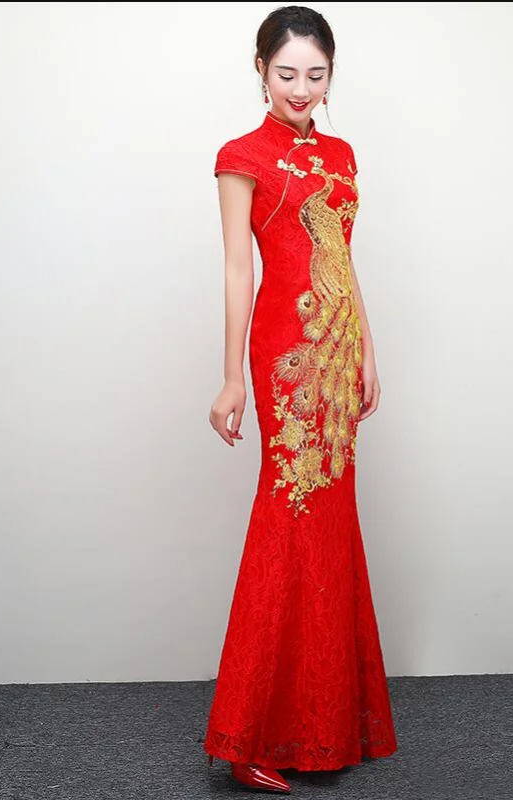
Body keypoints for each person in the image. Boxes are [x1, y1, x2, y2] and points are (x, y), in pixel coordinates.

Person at [204, 5, 398, 793]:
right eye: (287, 73)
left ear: (330, 76)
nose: (301, 89)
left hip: (338, 351)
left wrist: (368, 348)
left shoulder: (343, 154)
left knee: (330, 525)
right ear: (260, 69)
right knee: (288, 519)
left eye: (316, 75)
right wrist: (229, 376)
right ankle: (246, 736)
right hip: (286, 354)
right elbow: (236, 269)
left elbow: (343, 260)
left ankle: (323, 726)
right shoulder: (241, 155)